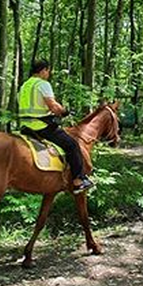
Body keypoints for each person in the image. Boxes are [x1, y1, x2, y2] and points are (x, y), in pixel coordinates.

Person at [17, 60, 94, 193]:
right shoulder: (42, 84)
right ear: (43, 70)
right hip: (41, 127)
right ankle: (78, 180)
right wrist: (64, 111)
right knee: (72, 145)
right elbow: (53, 106)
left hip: (25, 127)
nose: (48, 74)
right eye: (48, 71)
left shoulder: (24, 86)